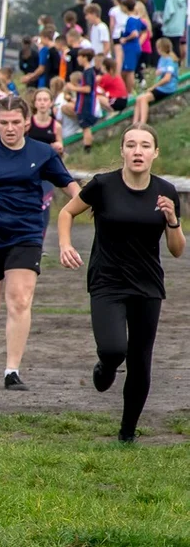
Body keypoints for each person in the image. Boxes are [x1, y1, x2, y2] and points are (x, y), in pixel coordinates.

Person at [58, 124, 184, 443]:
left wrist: (173, 220)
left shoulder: (166, 191)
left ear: (155, 152)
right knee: (114, 350)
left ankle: (127, 432)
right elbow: (66, 212)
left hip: (147, 285)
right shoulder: (103, 185)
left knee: (141, 361)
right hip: (107, 281)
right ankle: (106, 367)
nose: (137, 151)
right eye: (131, 145)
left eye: (144, 146)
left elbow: (177, 249)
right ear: (123, 152)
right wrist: (65, 245)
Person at [0, 95, 81, 391]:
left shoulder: (43, 152)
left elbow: (68, 184)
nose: (10, 128)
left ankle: (12, 370)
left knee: (20, 299)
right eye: (4, 123)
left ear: (27, 122)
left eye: (16, 123)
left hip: (26, 233)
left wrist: (85, 201)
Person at [27, 87, 64, 245]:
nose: (42, 103)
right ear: (35, 103)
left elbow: (61, 148)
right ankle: (26, 237)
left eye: (45, 100)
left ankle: (39, 242)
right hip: (29, 170)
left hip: (47, 171)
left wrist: (59, 147)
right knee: (29, 203)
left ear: (50, 103)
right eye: (39, 100)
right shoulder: (28, 124)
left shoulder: (56, 126)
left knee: (44, 204)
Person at [133, 38, 180, 124]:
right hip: (160, 87)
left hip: (167, 88)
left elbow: (167, 78)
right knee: (138, 98)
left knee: (144, 99)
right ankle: (134, 123)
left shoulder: (170, 60)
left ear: (160, 48)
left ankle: (142, 122)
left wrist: (153, 87)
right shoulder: (162, 59)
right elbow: (159, 72)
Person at [64, 48, 99, 152]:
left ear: (85, 58)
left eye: (79, 57)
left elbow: (88, 89)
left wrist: (73, 88)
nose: (78, 59)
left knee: (86, 127)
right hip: (83, 103)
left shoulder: (88, 72)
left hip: (86, 104)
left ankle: (87, 148)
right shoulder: (87, 71)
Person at [117, 0, 146, 92]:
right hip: (135, 47)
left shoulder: (130, 20)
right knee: (128, 70)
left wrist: (125, 39)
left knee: (129, 71)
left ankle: (129, 91)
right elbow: (144, 28)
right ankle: (127, 90)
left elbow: (134, 33)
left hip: (130, 48)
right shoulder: (138, 19)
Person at [162, 0, 187, 64]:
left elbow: (169, 12)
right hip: (180, 27)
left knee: (169, 46)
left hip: (170, 27)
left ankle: (171, 63)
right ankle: (178, 63)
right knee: (177, 45)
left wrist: (163, 21)